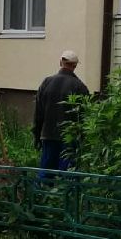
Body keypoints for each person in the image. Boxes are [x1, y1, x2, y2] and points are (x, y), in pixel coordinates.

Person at [33, 50, 89, 178]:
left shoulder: (46, 82)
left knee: (46, 172)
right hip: (69, 138)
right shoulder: (80, 87)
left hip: (48, 134)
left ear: (60, 62)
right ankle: (64, 197)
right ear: (74, 66)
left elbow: (38, 112)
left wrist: (37, 134)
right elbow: (85, 116)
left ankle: (42, 195)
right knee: (67, 174)